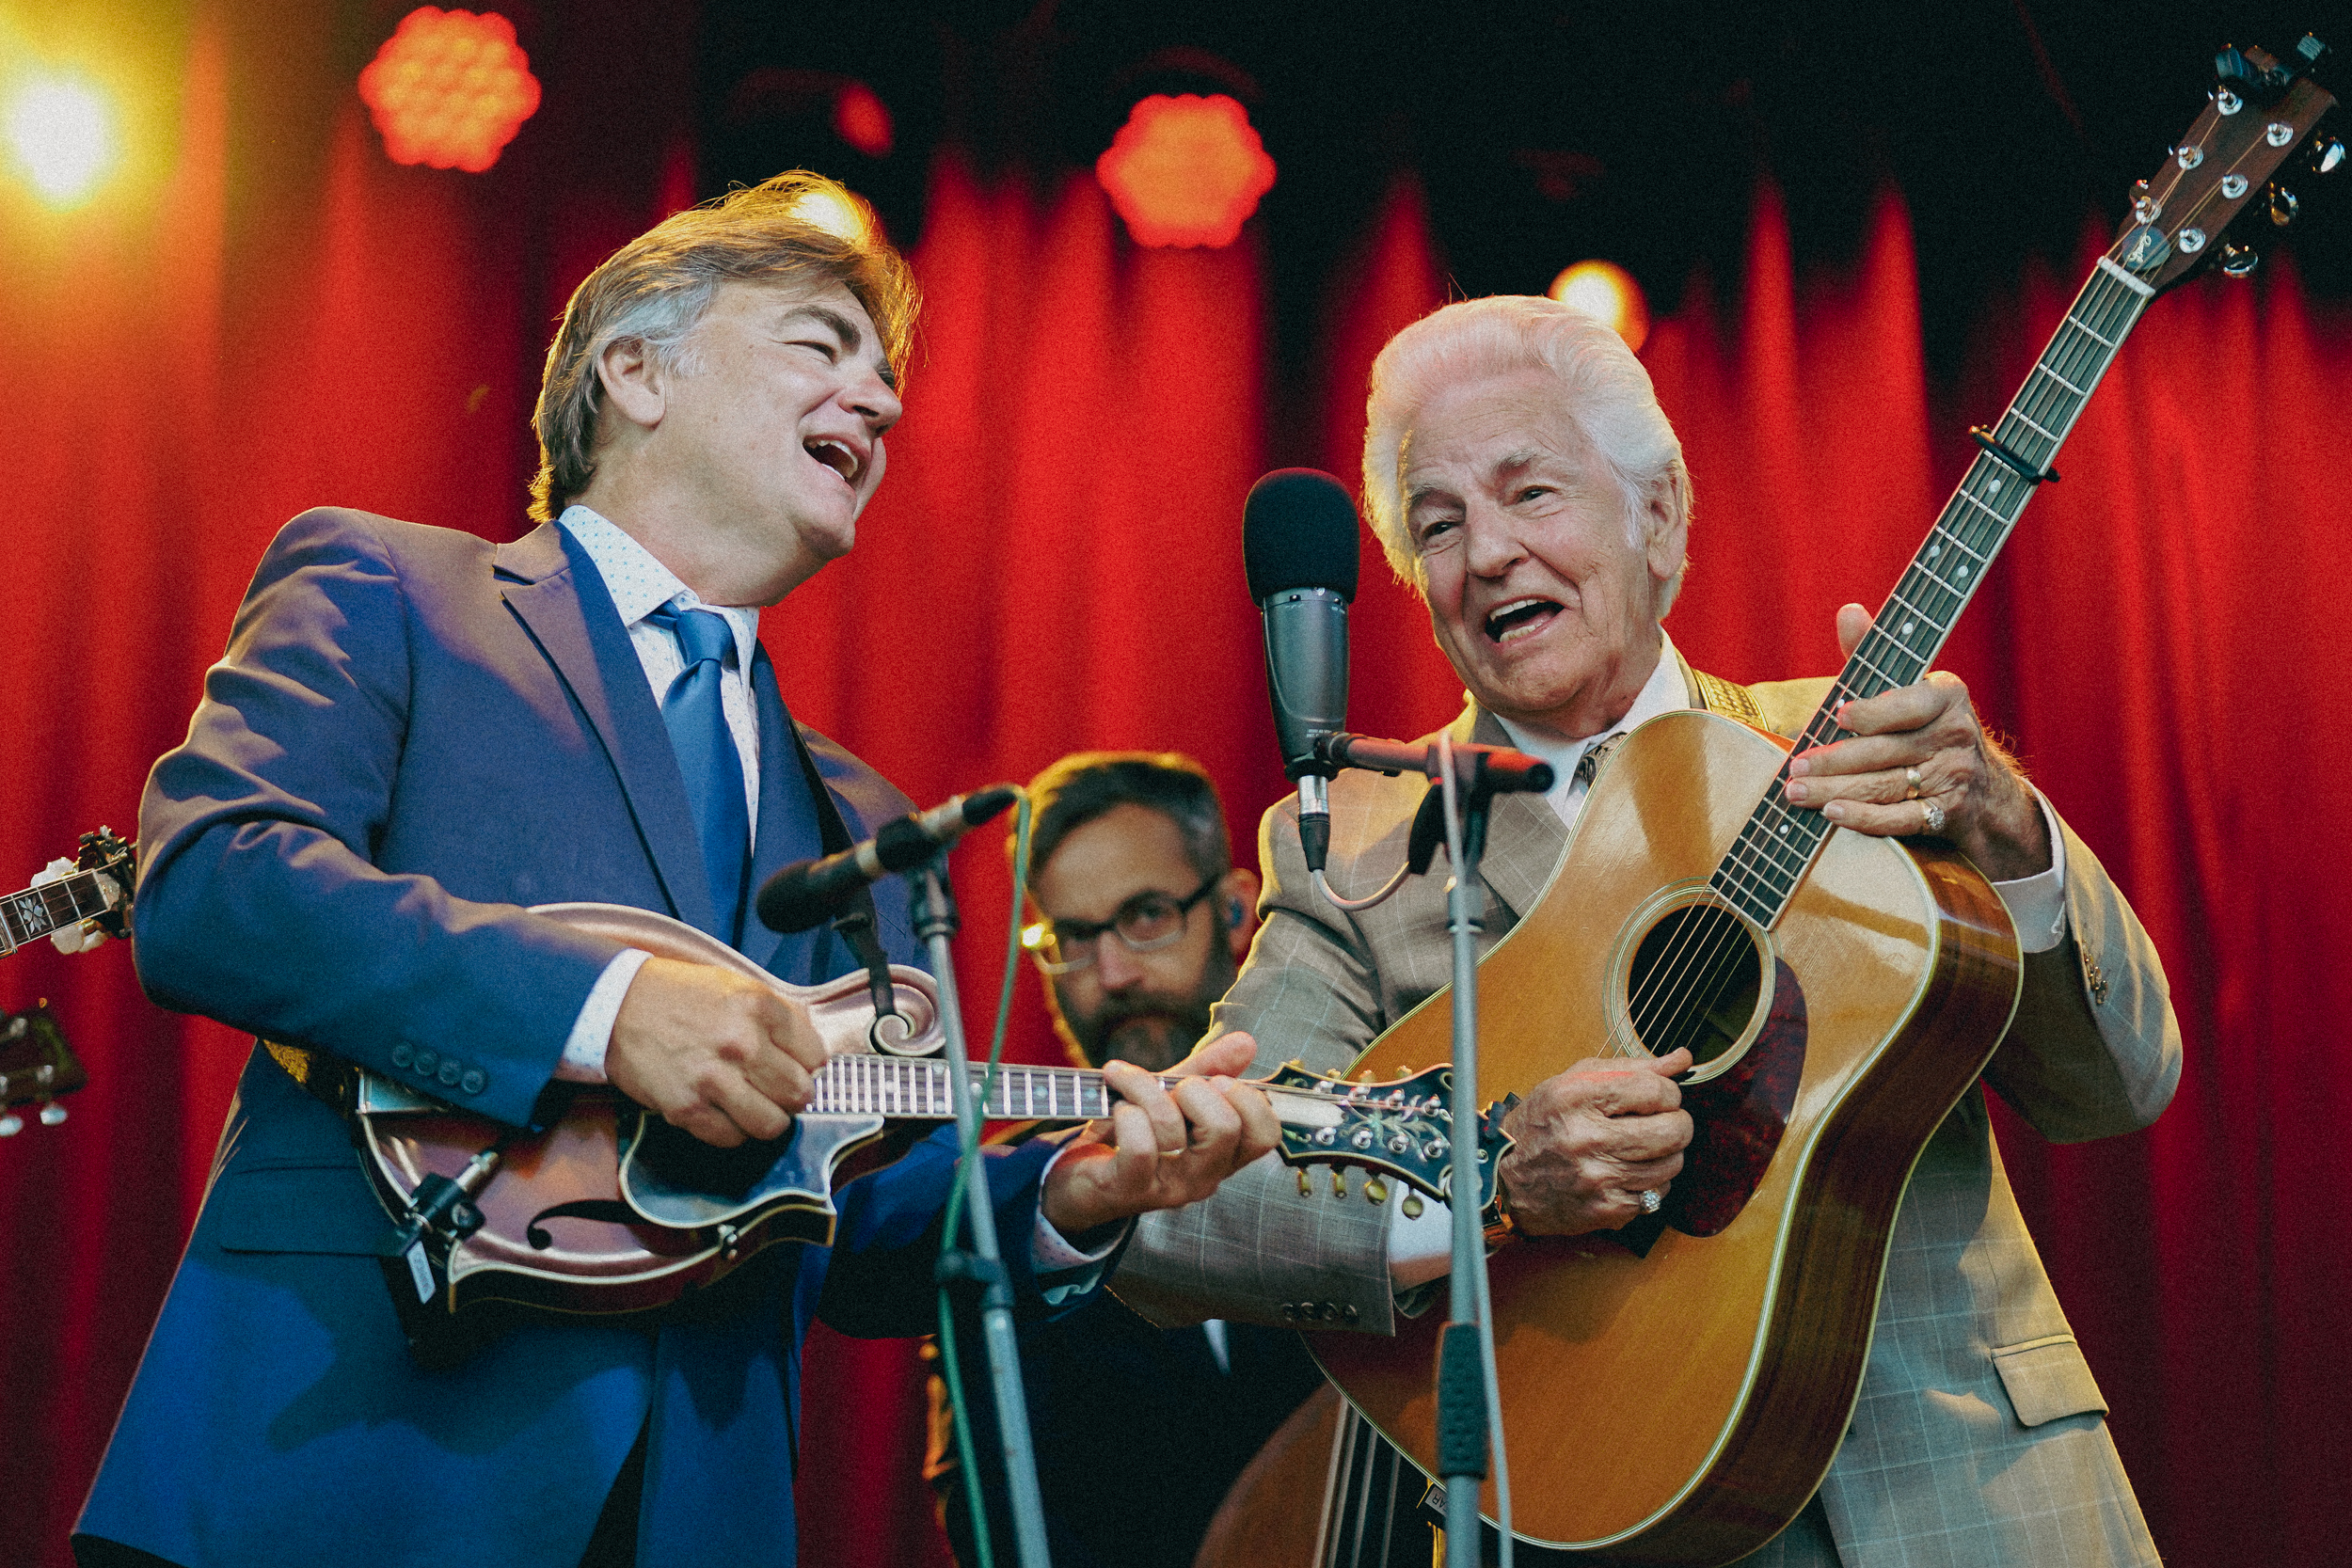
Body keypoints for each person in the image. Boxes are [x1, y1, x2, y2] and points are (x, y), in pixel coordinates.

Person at [72, 172, 1274, 1568]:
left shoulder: (867, 822)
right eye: (823, 345)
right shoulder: (389, 587)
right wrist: (605, 1010)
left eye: (887, 377)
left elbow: (853, 1216)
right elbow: (218, 884)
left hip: (696, 1510)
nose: (881, 404)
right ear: (635, 371)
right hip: (347, 1459)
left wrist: (1072, 1195)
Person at [1113, 295, 2180, 1565]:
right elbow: (1181, 1206)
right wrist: (1492, 1182)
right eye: (1439, 524)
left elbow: (2116, 1083)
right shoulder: (1359, 852)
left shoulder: (1862, 749)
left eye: (1531, 492)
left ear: (1659, 513)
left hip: (1974, 1498)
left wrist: (2003, 819)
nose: (1488, 551)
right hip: (1616, 1520)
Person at [922, 752, 1325, 1568]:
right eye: (1074, 936)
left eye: (1146, 915)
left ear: (1235, 908)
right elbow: (990, 1510)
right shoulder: (1008, 1199)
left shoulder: (1344, 1126)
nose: (1112, 973)